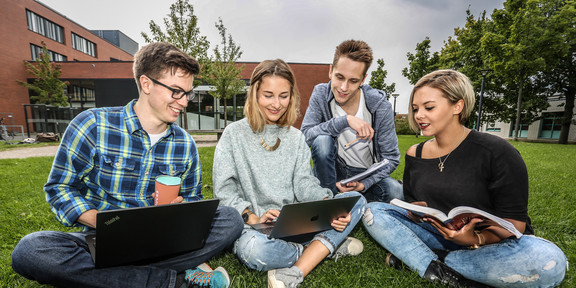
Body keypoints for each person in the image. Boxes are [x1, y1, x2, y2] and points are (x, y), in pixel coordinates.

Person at [11, 42, 243, 288]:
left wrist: (182, 209)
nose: (184, 102)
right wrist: (104, 223)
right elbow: (60, 188)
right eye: (176, 91)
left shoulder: (185, 144)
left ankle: (121, 277)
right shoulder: (92, 125)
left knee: (231, 219)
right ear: (146, 84)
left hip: (164, 240)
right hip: (101, 238)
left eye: (188, 93)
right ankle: (173, 281)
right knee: (31, 249)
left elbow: (194, 200)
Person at [362, 69, 567, 287]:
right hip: (439, 234)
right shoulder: (415, 153)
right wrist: (416, 212)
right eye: (415, 109)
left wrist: (475, 239)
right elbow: (414, 204)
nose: (419, 115)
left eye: (429, 107)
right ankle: (452, 274)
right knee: (375, 211)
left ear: (457, 106)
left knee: (548, 261)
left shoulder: (497, 151)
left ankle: (426, 260)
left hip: (492, 245)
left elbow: (515, 224)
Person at [213, 59, 366, 288]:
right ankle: (318, 249)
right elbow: (225, 191)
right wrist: (252, 217)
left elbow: (304, 183)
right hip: (255, 229)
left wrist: (327, 204)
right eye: (268, 95)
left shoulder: (296, 138)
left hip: (296, 224)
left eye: (283, 96)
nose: (276, 104)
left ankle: (317, 244)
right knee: (255, 251)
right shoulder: (233, 134)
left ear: (291, 96)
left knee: (357, 201)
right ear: (254, 94)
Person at [301, 39, 402, 203]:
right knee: (322, 140)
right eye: (339, 77)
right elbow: (305, 136)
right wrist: (345, 121)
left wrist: (364, 184)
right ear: (330, 71)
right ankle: (328, 200)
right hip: (332, 171)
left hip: (366, 174)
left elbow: (391, 158)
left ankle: (352, 197)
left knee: (396, 192)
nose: (343, 88)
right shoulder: (320, 93)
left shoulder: (380, 106)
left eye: (353, 81)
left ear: (363, 80)